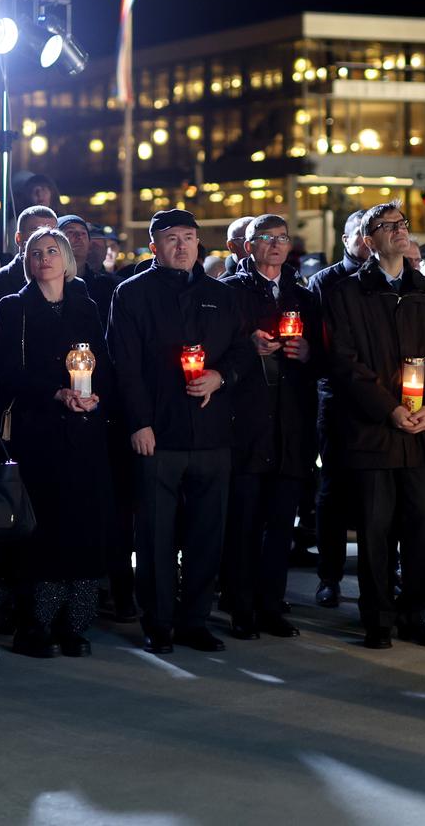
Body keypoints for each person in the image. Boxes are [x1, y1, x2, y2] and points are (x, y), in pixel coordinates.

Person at [108, 209, 253, 655]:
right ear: (154, 246)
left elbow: (243, 350)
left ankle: (195, 620)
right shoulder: (131, 294)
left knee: (207, 534)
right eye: (172, 239)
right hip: (158, 434)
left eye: (189, 237)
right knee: (154, 536)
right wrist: (139, 423)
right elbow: (123, 365)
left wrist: (220, 376)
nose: (182, 246)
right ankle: (159, 622)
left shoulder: (220, 295)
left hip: (212, 435)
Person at [323, 201, 425, 649]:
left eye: (403, 224)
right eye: (388, 226)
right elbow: (344, 363)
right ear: (369, 241)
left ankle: (416, 614)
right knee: (375, 529)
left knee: (424, 527)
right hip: (373, 431)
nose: (399, 231)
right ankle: (378, 617)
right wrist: (388, 408)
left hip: (424, 433)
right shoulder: (346, 294)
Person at [0, 228, 113, 658]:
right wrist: (55, 392)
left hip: (84, 435)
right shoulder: (14, 308)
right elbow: (6, 371)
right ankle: (36, 623)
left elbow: (103, 363)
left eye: (51, 251)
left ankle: (75, 624)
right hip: (38, 433)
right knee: (42, 529)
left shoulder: (88, 305)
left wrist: (96, 396)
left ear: (66, 258)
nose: (43, 258)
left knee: (83, 525)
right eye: (34, 252)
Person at [220, 215, 321, 639]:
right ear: (248, 245)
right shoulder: (228, 293)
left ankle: (271, 604)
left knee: (281, 522)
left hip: (292, 422)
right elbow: (212, 350)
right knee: (244, 521)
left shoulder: (302, 294)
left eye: (282, 238)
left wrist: (307, 351)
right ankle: (241, 606)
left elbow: (327, 358)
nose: (276, 245)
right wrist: (249, 346)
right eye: (266, 238)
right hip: (246, 420)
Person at [307, 208, 371, 607]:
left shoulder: (387, 280)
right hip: (337, 398)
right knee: (333, 490)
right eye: (360, 234)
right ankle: (329, 575)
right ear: (346, 240)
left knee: (378, 494)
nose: (367, 240)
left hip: (379, 399)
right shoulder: (325, 282)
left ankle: (379, 572)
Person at [0, 205, 59, 307]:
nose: (43, 237)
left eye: (51, 232)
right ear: (18, 238)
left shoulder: (71, 283)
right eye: (36, 230)